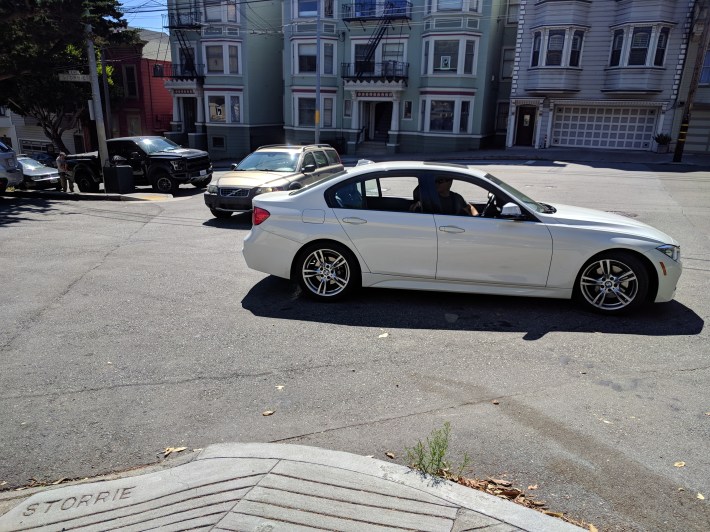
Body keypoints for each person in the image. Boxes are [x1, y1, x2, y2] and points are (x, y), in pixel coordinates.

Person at [410, 177, 479, 216]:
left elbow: (470, 207)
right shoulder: (428, 197)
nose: (436, 183)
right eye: (435, 181)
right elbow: (413, 211)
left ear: (450, 182)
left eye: (440, 181)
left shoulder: (457, 197)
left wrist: (477, 218)